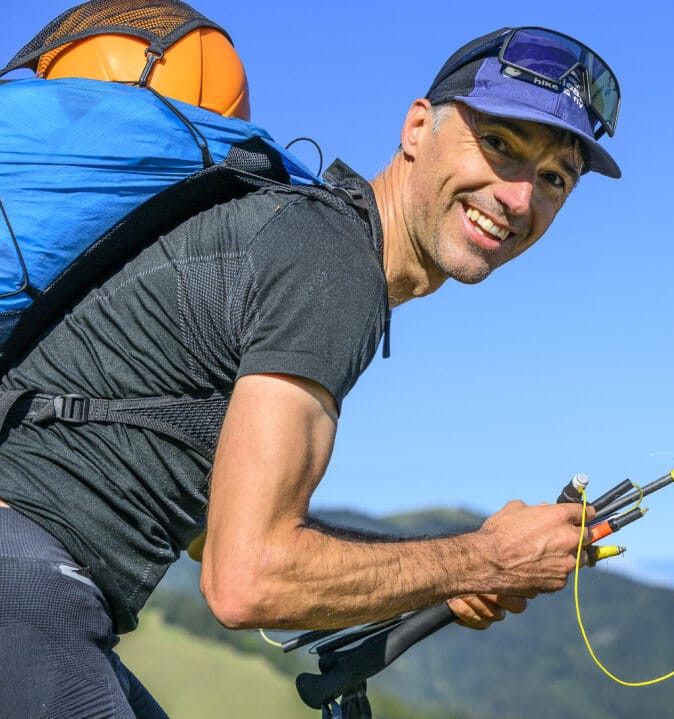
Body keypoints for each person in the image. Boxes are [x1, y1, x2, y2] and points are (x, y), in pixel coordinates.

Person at [0, 24, 621, 718]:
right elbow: (247, 579)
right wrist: (485, 559)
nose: (517, 197)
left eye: (553, 179)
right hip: (23, 588)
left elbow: (216, 530)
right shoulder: (331, 265)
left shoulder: (311, 237)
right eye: (500, 144)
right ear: (417, 128)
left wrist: (446, 570)